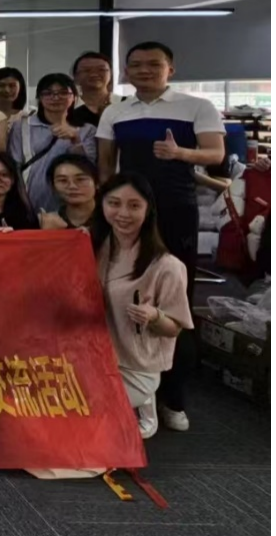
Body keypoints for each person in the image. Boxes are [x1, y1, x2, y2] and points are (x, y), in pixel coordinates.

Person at [98, 43, 224, 432]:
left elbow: (215, 154)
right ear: (125, 71)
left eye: (154, 64)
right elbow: (106, 167)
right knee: (117, 299)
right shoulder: (116, 111)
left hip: (174, 213)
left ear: (171, 68)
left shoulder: (196, 106)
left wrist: (180, 153)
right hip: (126, 215)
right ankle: (132, 387)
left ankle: (173, 398)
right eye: (135, 65)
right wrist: (106, 212)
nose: (145, 70)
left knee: (173, 305)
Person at [93, 174, 193, 440]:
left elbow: (174, 328)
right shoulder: (92, 248)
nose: (123, 213)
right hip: (93, 357)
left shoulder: (167, 266)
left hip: (135, 365)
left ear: (148, 210)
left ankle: (144, 402)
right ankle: (141, 407)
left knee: (92, 416)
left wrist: (155, 316)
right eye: (114, 203)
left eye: (134, 205)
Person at [9, 73, 98, 213]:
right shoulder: (22, 126)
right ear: (39, 98)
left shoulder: (87, 130)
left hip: (71, 199)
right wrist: (21, 200)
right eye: (48, 93)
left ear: (74, 97)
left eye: (63, 93)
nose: (55, 98)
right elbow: (15, 166)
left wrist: (75, 140)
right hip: (30, 197)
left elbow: (88, 167)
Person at [39, 154, 100, 231]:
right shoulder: (49, 222)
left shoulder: (110, 218)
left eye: (80, 179)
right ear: (53, 186)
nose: (72, 186)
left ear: (97, 183)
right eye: (63, 180)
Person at [69, 52, 115, 129]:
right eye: (86, 70)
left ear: (111, 74)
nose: (94, 74)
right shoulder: (67, 106)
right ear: (75, 76)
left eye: (101, 69)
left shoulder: (126, 103)